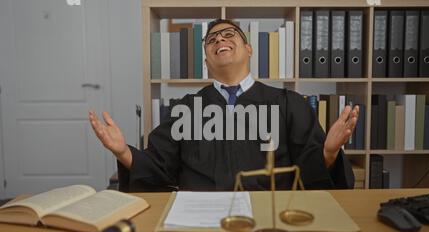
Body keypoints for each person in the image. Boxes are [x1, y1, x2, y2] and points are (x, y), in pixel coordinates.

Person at [89, 19, 359, 191]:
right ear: (206, 61)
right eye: (211, 39)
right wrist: (124, 152)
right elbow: (159, 165)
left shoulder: (286, 104)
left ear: (249, 48)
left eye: (229, 34)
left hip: (268, 217)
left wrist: (329, 152)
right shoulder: (188, 109)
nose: (220, 39)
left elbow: (309, 171)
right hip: (198, 218)